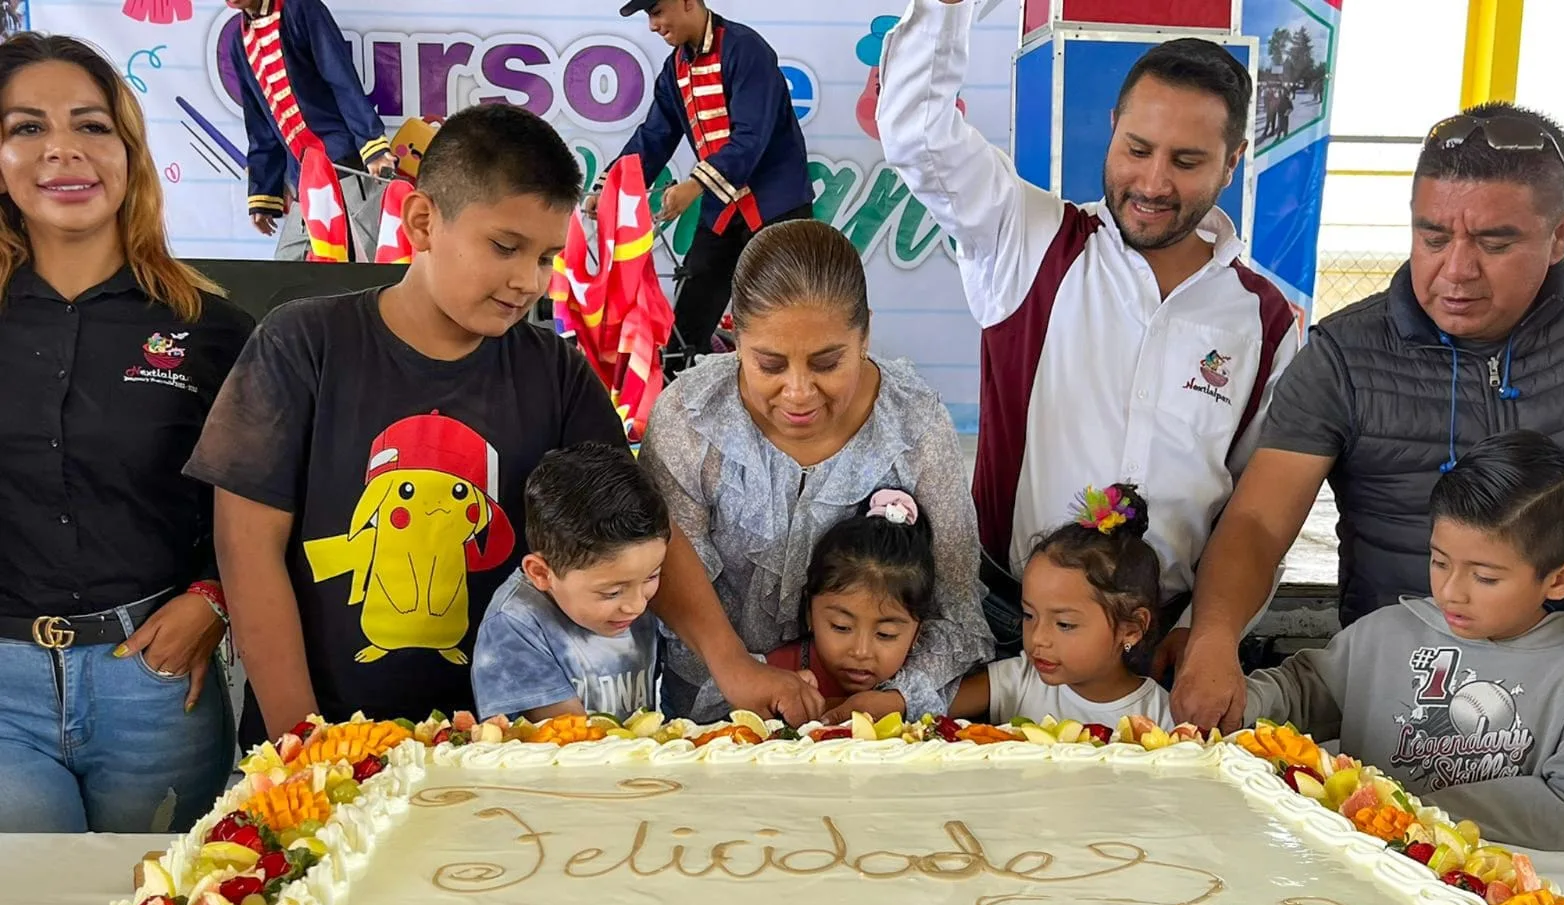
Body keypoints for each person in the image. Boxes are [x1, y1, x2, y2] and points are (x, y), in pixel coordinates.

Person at [187, 104, 819, 746]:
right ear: (423, 221)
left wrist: (730, 661)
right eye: (505, 247)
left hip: (506, 748)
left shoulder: (556, 372)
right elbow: (248, 549)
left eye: (548, 255)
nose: (530, 281)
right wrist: (305, 738)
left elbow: (644, 526)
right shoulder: (302, 345)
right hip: (335, 738)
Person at [877, 0, 1298, 662]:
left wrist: (1207, 635)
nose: (1153, 182)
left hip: (1159, 648)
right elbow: (914, 130)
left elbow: (1257, 512)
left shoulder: (1266, 322)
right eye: (1137, 149)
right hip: (1008, 632)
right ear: (1111, 127)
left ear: (1234, 159)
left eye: (1187, 161)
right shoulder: (1028, 239)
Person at [1175, 103, 1564, 733]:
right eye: (1432, 236)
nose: (1456, 270)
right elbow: (1259, 522)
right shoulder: (1345, 356)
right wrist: (1211, 638)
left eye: (1495, 241)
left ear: (1561, 234)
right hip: (1402, 699)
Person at [0, 34, 252, 832]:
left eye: (90, 124)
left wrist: (212, 601)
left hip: (153, 681)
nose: (62, 150)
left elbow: (261, 501)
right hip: (1, 689)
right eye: (25, 128)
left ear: (129, 151)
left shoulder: (212, 330)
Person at [640, 219, 992, 724]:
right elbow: (663, 558)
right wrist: (736, 666)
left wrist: (891, 702)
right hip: (714, 714)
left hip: (872, 728)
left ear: (865, 333)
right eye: (770, 364)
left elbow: (956, 609)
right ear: (735, 334)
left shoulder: (915, 426)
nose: (799, 392)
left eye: (827, 364)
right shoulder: (691, 417)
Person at [1244, 432, 1564, 851]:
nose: (1451, 591)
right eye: (1439, 561)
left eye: (1485, 577)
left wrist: (1418, 811)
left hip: (1491, 898)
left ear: (1560, 579)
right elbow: (1300, 690)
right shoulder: (1383, 635)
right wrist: (1236, 701)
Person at [608, 0, 812, 375]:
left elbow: (751, 138)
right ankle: (676, 411)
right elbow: (654, 137)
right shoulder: (675, 69)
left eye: (657, 13)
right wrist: (610, 188)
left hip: (775, 207)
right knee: (687, 325)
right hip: (723, 210)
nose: (654, 25)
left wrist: (694, 186)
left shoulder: (745, 49)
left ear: (686, 2)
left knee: (786, 320)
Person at [472, 443, 669, 721]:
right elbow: (570, 741)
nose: (637, 605)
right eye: (612, 592)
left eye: (652, 576)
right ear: (541, 573)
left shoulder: (630, 583)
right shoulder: (514, 625)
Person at [952, 484, 1173, 727]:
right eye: (1028, 615)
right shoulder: (1018, 681)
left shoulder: (1162, 716)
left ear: (1131, 628)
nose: (1038, 638)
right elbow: (924, 705)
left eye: (1064, 624)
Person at [224, 0, 395, 260]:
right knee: (289, 272)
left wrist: (372, 144)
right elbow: (260, 124)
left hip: (344, 164)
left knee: (365, 266)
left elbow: (341, 77)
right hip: (302, 177)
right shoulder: (239, 42)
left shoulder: (301, 9)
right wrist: (263, 192)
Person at [763, 490, 934, 706]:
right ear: (809, 613)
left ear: (917, 634)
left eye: (885, 634)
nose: (861, 652)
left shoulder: (919, 692)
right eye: (841, 627)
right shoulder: (776, 673)